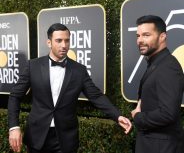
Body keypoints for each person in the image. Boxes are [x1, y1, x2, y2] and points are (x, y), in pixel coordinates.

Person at [8, 23, 132, 153]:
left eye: (67, 40)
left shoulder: (79, 70)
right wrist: (14, 127)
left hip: (65, 139)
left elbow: (96, 96)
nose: (64, 45)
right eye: (59, 41)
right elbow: (15, 96)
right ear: (49, 43)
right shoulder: (33, 66)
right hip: (37, 137)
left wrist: (117, 116)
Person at [131, 15, 184, 153]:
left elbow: (168, 113)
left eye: (146, 35)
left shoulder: (168, 66)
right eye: (138, 36)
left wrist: (138, 117)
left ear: (162, 37)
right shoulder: (156, 63)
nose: (140, 40)